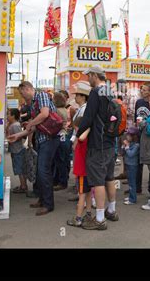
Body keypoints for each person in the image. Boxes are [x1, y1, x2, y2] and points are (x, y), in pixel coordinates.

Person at [8, 81, 60, 216]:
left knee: (43, 171)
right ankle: (43, 200)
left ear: (28, 89)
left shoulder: (41, 96)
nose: (22, 96)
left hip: (49, 139)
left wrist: (30, 123)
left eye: (22, 92)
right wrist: (19, 135)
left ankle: (48, 204)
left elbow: (44, 114)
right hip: (42, 139)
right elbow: (34, 126)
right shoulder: (32, 103)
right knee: (40, 171)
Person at [75, 66, 118, 230]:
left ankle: (99, 219)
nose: (88, 79)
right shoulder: (109, 91)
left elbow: (88, 117)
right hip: (109, 142)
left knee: (98, 180)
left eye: (89, 76)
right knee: (109, 177)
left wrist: (78, 134)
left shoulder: (95, 92)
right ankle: (111, 210)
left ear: (94, 75)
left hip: (97, 143)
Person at [67, 82, 93, 227]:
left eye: (77, 95)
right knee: (88, 192)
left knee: (82, 193)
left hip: (82, 169)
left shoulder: (81, 138)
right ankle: (88, 214)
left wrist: (79, 135)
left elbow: (81, 135)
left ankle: (78, 218)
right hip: (87, 168)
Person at [134, 82, 150, 197]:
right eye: (142, 89)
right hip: (140, 136)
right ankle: (137, 188)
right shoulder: (139, 102)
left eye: (145, 90)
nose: (142, 91)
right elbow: (135, 119)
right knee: (138, 163)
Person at [52, 92, 71, 191]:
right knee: (64, 160)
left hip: (59, 135)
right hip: (65, 135)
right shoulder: (64, 110)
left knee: (60, 160)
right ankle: (62, 180)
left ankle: (62, 182)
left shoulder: (57, 111)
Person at [7, 108, 27, 194]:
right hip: (15, 149)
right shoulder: (12, 124)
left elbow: (19, 137)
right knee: (19, 168)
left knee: (20, 169)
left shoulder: (15, 125)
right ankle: (23, 185)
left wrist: (10, 139)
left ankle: (23, 186)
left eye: (8, 114)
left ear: (13, 116)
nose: (7, 116)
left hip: (17, 150)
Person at [122, 127, 140, 205]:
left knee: (132, 183)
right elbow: (123, 152)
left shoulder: (136, 145)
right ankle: (131, 196)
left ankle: (133, 199)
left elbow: (130, 154)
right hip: (128, 164)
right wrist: (124, 146)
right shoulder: (131, 144)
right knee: (129, 182)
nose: (127, 136)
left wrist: (126, 146)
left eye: (129, 135)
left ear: (134, 136)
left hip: (133, 165)